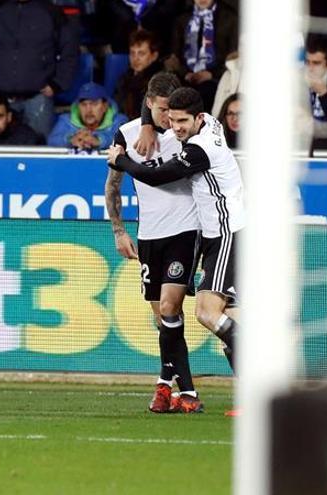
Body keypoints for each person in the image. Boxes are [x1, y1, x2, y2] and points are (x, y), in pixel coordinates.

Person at [107, 86, 244, 379]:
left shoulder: (200, 149)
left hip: (226, 235)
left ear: (198, 118)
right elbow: (158, 95)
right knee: (229, 318)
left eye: (183, 122)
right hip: (214, 235)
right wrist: (147, 123)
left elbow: (156, 177)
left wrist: (121, 160)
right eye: (172, 120)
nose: (176, 128)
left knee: (207, 313)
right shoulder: (211, 123)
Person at [104, 73, 202, 414]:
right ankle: (173, 388)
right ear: (149, 105)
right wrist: (119, 230)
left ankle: (178, 390)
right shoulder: (127, 134)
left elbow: (155, 174)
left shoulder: (190, 133)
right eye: (162, 111)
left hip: (185, 230)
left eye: (173, 110)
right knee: (163, 319)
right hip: (148, 236)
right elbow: (113, 187)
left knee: (171, 308)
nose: (168, 118)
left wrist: (152, 125)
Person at [0, 0, 79, 138]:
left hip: (38, 98)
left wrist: (57, 84)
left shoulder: (51, 11)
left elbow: (70, 50)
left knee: (40, 153)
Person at [168, 0, 239, 110]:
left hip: (217, 77)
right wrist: (185, 73)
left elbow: (234, 58)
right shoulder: (182, 19)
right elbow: (174, 55)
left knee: (203, 93)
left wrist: (211, 74)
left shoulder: (230, 18)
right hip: (185, 77)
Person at [48, 82, 127, 153]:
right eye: (84, 104)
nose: (88, 110)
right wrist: (71, 139)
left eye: (94, 104)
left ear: (105, 106)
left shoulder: (119, 120)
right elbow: (52, 140)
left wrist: (98, 140)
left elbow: (124, 141)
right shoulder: (65, 120)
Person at [114, 28, 164, 120]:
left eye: (141, 54)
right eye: (132, 53)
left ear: (154, 56)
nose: (135, 58)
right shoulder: (123, 80)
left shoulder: (160, 82)